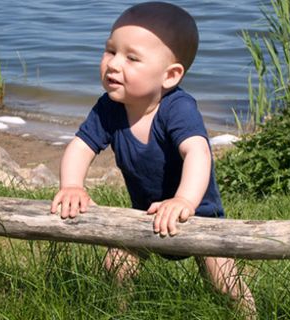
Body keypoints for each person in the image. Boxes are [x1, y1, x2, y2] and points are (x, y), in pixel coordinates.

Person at [50, 1, 256, 316]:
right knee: (115, 266)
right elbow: (80, 146)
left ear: (170, 75)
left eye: (131, 57)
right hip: (144, 215)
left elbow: (198, 152)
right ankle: (120, 311)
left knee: (224, 282)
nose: (113, 64)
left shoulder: (176, 108)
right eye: (110, 51)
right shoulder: (109, 108)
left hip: (198, 216)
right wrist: (72, 186)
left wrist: (184, 200)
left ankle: (248, 314)